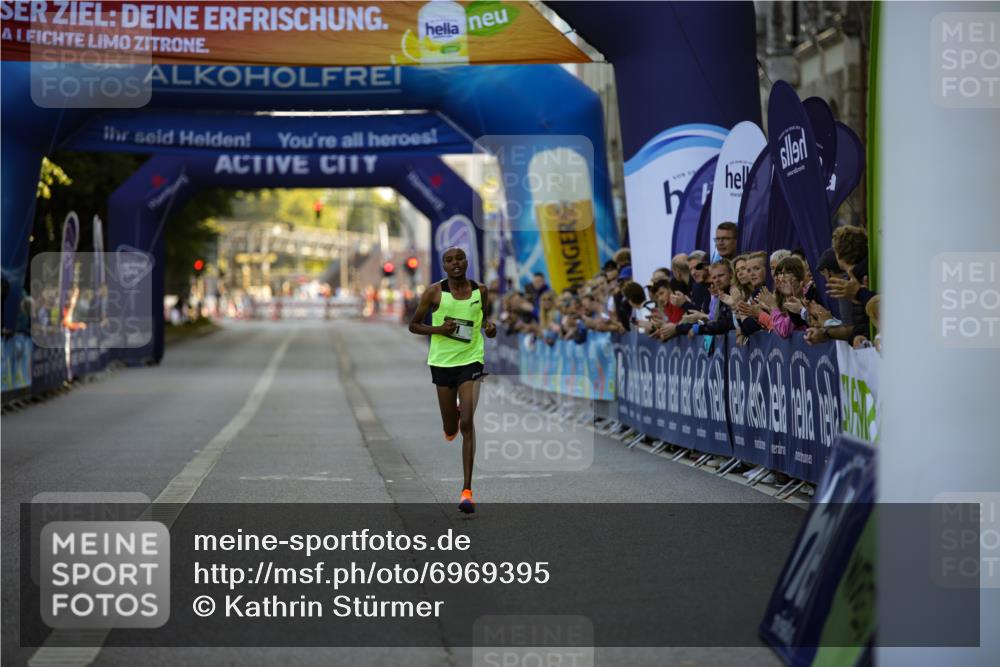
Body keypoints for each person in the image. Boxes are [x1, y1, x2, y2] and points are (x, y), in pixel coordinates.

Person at [408, 247, 497, 514]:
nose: (455, 263)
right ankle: (452, 420)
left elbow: (485, 323)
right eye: (449, 260)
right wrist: (438, 329)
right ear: (443, 266)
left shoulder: (480, 290)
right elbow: (413, 325)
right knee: (451, 427)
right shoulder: (434, 292)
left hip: (471, 360)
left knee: (468, 423)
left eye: (459, 258)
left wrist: (491, 329)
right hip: (443, 363)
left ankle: (467, 491)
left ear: (466, 261)